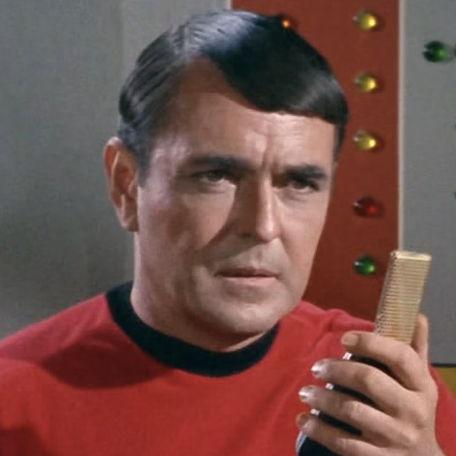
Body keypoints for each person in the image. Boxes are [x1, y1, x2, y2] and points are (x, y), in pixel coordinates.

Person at [0, 10, 454, 456]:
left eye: (299, 183)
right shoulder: (13, 395)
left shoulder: (388, 395)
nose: (263, 226)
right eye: (216, 176)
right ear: (127, 186)